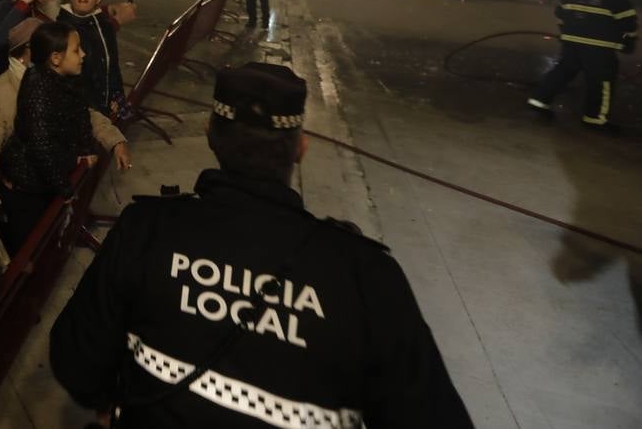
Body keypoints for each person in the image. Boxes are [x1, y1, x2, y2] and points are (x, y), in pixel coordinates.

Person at [50, 62, 474, 428]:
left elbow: (76, 359)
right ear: (300, 149)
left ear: (210, 134)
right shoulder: (366, 277)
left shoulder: (147, 229)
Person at [0, 21, 97, 253]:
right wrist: (66, 189)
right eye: (76, 49)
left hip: (49, 180)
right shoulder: (37, 88)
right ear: (55, 58)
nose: (83, 54)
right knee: (27, 250)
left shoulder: (69, 80)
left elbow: (81, 115)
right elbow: (40, 146)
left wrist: (87, 149)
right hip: (27, 190)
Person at [528, 0, 638, 127]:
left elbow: (561, 13)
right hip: (600, 45)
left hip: (572, 40)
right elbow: (627, 19)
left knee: (564, 71)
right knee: (601, 81)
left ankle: (538, 100)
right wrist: (629, 39)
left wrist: (567, 33)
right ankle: (595, 119)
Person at [58, 0, 128, 119]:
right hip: (77, 110)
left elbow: (113, 65)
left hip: (105, 107)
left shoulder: (105, 25)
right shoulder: (60, 27)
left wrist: (117, 96)